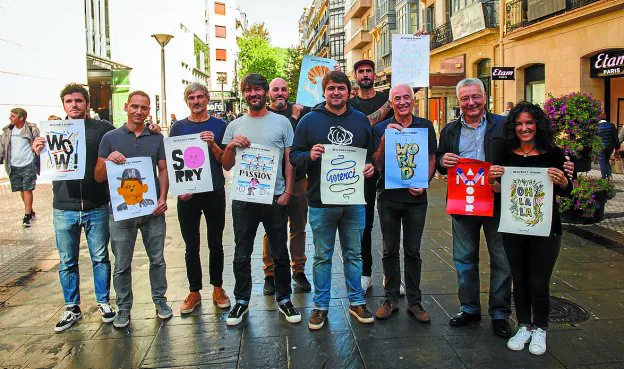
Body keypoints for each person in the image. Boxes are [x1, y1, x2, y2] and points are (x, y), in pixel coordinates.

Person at [290, 71, 376, 330]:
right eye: (331, 89)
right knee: (322, 257)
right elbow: (294, 157)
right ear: (323, 92)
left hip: (353, 202)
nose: (336, 93)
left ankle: (356, 301)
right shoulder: (309, 121)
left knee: (354, 254)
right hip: (320, 202)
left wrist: (371, 168)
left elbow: (369, 156)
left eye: (341, 88)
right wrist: (310, 156)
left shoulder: (361, 120)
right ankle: (320, 305)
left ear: (348, 92)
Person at [488, 101, 572, 355]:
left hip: (546, 228)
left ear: (538, 125)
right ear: (513, 127)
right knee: (519, 279)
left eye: (529, 123)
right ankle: (523, 325)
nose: (524, 128)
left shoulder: (553, 153)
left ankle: (540, 329)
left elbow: (565, 191)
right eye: (519, 124)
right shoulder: (503, 150)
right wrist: (493, 180)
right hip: (514, 226)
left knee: (539, 280)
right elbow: (499, 191)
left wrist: (564, 180)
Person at [32, 84, 117, 332]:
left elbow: (124, 139)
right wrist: (38, 153)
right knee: (67, 260)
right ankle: (72, 307)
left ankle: (103, 302)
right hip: (64, 207)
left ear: (87, 103)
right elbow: (43, 171)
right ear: (64, 105)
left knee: (100, 257)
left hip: (96, 204)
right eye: (69, 101)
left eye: (79, 100)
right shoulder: (53, 131)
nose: (74, 105)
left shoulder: (103, 129)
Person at [221, 73, 301, 326]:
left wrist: (288, 191)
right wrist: (231, 146)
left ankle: (284, 299)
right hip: (244, 199)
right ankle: (241, 301)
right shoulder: (234, 125)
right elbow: (226, 164)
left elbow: (290, 160)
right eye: (248, 90)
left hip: (275, 197)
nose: (253, 94)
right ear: (243, 93)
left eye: (258, 90)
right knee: (241, 252)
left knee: (279, 252)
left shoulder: (282, 123)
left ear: (266, 92)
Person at [436, 78, 513, 338]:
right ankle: (469, 308)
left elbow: (518, 155)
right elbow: (440, 162)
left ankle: (500, 313)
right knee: (464, 259)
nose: (471, 103)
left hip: (497, 201)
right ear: (459, 102)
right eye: (465, 99)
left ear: (485, 96)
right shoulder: (449, 130)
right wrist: (441, 161)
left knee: (501, 259)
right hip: (463, 201)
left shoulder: (503, 125)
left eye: (475, 97)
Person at [94, 91, 170, 329]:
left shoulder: (156, 138)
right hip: (120, 213)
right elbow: (97, 177)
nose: (139, 111)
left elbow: (163, 170)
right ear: (126, 107)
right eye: (135, 106)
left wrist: (162, 197)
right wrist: (108, 161)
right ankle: (124, 308)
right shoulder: (110, 138)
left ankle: (160, 301)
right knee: (122, 264)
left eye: (144, 108)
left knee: (157, 260)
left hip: (152, 212)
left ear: (149, 110)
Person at [371, 84, 437, 322]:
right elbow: (377, 164)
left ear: (413, 101)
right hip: (388, 197)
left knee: (413, 250)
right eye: (397, 98)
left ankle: (414, 301)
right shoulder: (380, 127)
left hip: (416, 199)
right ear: (391, 102)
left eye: (406, 97)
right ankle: (390, 299)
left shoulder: (425, 126)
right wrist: (384, 140)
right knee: (389, 249)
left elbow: (431, 157)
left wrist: (425, 182)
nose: (402, 102)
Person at [169, 82, 230, 314]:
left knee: (216, 243)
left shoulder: (220, 125)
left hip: (214, 190)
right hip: (188, 195)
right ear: (187, 101)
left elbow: (225, 161)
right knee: (191, 245)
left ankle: (218, 287)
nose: (196, 101)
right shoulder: (178, 127)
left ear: (207, 99)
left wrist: (212, 143)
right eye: (192, 98)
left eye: (200, 97)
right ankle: (194, 291)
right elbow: (174, 161)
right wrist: (179, 189)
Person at [348, 59, 397, 294]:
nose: (365, 75)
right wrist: (388, 106)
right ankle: (365, 273)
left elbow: (411, 85)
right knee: (364, 226)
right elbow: (365, 124)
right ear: (355, 76)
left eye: (369, 71)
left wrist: (416, 45)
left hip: (392, 168)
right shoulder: (351, 103)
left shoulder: (388, 95)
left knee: (392, 226)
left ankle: (393, 277)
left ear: (375, 74)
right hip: (363, 170)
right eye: (361, 72)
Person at [261, 77, 312, 295]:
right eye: (275, 90)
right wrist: (293, 119)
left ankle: (298, 271)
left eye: (283, 89)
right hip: (270, 182)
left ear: (288, 91)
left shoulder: (304, 111)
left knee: (299, 227)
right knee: (270, 230)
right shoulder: (263, 116)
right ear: (268, 93)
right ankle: (270, 274)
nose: (280, 93)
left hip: (299, 180)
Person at [1, 108, 39, 227]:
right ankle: (30, 210)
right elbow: (3, 145)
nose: (10, 118)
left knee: (28, 189)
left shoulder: (31, 129)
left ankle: (27, 216)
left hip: (28, 164)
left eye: (12, 116)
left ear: (21, 118)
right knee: (22, 190)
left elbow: (38, 142)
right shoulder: (8, 130)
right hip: (13, 165)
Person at [597, 112, 618, 179]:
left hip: (601, 146)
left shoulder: (597, 126)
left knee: (602, 161)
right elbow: (616, 137)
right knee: (606, 159)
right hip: (610, 146)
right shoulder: (611, 125)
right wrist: (617, 147)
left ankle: (603, 177)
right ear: (605, 118)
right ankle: (609, 175)